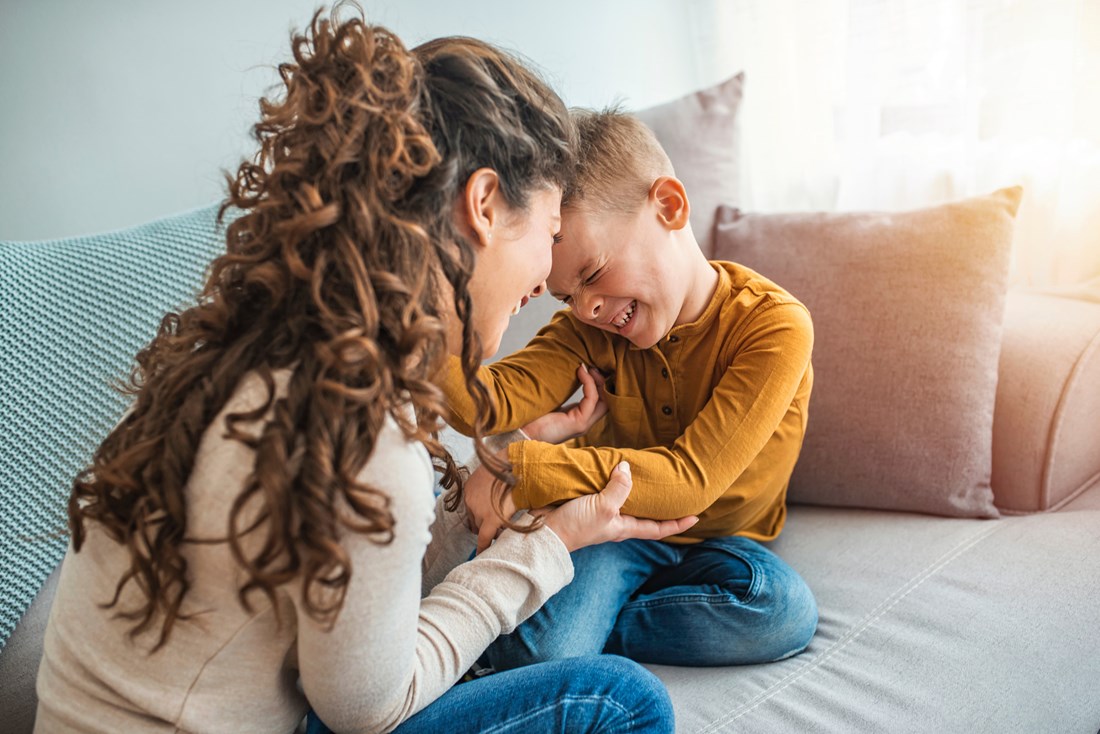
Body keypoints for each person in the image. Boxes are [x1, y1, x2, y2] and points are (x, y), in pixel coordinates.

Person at [34, 10, 697, 733]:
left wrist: (499, 464)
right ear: (482, 204)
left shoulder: (265, 341)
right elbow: (365, 706)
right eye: (550, 233)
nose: (545, 280)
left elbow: (349, 581)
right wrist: (547, 547)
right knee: (621, 703)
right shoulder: (364, 430)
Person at [441, 108, 819, 671]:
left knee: (778, 610)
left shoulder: (772, 326)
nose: (587, 309)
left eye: (592, 274)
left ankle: (595, 625)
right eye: (567, 296)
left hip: (722, 538)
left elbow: (688, 482)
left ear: (669, 206)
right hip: (611, 526)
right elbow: (486, 400)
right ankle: (572, 625)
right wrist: (413, 315)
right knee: (543, 653)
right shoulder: (587, 330)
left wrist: (521, 472)